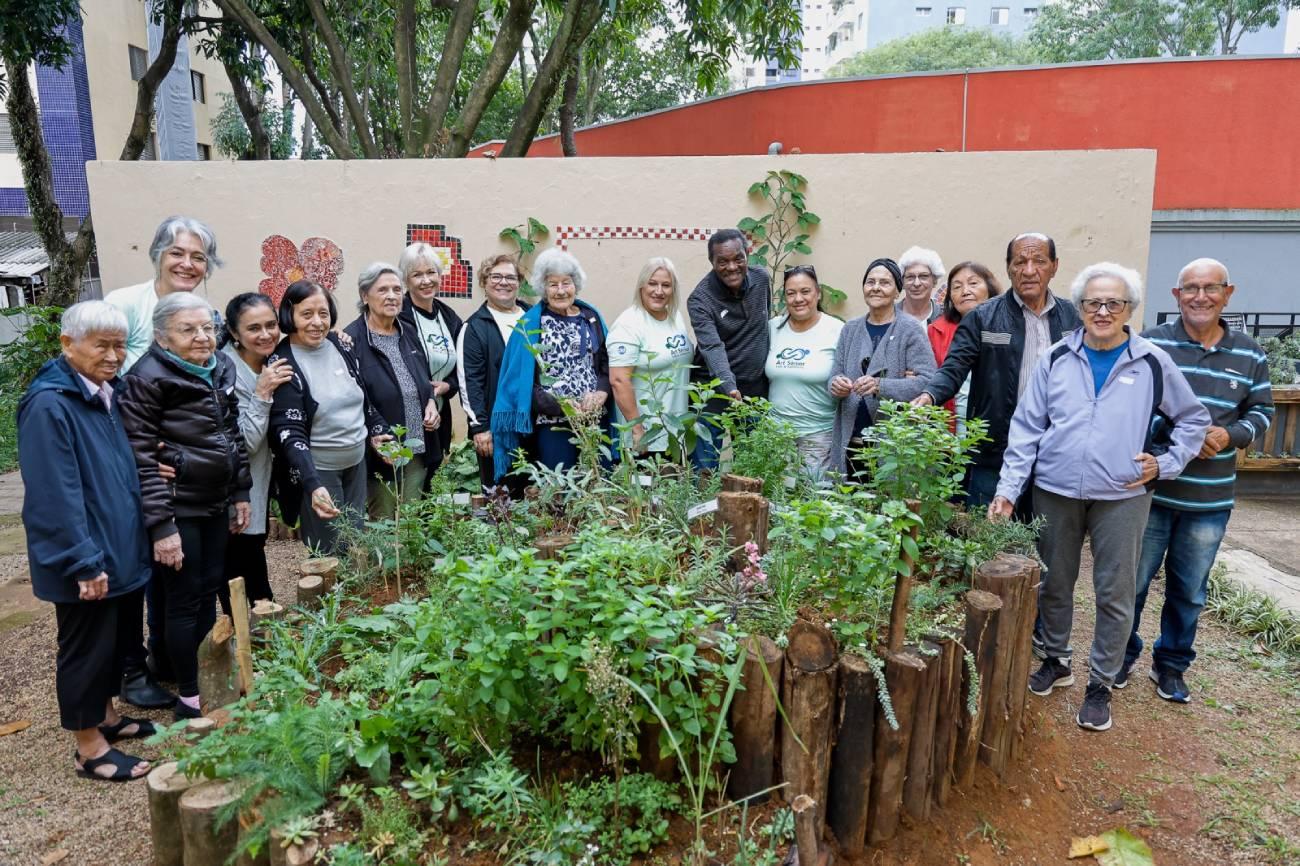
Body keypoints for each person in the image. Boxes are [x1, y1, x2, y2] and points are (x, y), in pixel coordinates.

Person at [990, 262, 1209, 733]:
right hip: (1056, 489)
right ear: (1080, 308)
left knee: (1115, 591)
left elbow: (1193, 420)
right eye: (1093, 302)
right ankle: (1058, 659)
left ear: (1129, 308)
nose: (1103, 310)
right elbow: (1026, 429)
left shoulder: (1151, 361)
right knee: (1054, 583)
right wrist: (1009, 489)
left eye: (1114, 302)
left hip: (1123, 495)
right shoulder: (1055, 358)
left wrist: (1165, 464)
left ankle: (1101, 684)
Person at [1121, 258, 1274, 703]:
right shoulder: (1152, 345)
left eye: (1210, 288)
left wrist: (1230, 434)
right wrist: (1182, 437)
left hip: (1209, 499)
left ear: (1228, 293)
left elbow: (1262, 411)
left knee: (1189, 591)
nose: (1200, 296)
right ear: (1176, 296)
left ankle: (1170, 666)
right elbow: (1131, 405)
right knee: (1131, 582)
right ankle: (1121, 657)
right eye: (1190, 288)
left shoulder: (1249, 353)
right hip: (1152, 491)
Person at [18, 302, 155, 780]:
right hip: (85, 554)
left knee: (113, 641)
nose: (115, 356)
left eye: (120, 345)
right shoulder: (50, 404)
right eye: (102, 345)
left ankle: (107, 717)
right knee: (85, 648)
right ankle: (89, 747)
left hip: (115, 546)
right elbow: (55, 493)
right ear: (67, 344)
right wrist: (81, 560)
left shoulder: (100, 392)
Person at [118, 292, 253, 721]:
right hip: (178, 507)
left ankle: (208, 676)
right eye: (188, 330)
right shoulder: (148, 377)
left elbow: (230, 434)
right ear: (161, 336)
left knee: (210, 586)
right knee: (183, 599)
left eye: (207, 328)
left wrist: (240, 492)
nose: (202, 338)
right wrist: (160, 527)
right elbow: (140, 456)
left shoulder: (219, 367)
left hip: (213, 500)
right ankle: (191, 696)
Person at [914, 232, 1083, 512]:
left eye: (1039, 261)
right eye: (1020, 262)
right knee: (986, 542)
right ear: (1008, 267)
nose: (1029, 270)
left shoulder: (1073, 318)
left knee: (1049, 543)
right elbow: (954, 367)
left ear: (1055, 266)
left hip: (1056, 452)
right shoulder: (983, 317)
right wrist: (930, 395)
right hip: (995, 453)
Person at [268, 280, 387, 554]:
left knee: (355, 540)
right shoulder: (283, 363)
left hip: (356, 462)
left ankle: (354, 594)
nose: (317, 322)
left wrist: (379, 430)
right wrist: (312, 484)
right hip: (319, 470)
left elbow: (362, 397)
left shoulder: (340, 344)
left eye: (323, 313)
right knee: (329, 550)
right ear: (290, 315)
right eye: (306, 314)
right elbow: (289, 432)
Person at [491, 248, 611, 477]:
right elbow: (523, 382)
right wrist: (562, 407)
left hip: (594, 420)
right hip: (553, 423)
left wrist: (601, 394)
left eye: (566, 283)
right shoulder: (530, 324)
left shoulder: (591, 318)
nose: (561, 290)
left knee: (600, 484)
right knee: (559, 488)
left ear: (576, 284)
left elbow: (606, 366)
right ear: (543, 288)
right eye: (553, 284)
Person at [344, 263, 442, 517]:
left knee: (411, 521)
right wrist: (374, 435)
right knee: (384, 521)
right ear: (365, 296)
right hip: (382, 449)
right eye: (383, 290)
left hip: (417, 445)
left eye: (397, 289)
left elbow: (424, 378)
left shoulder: (407, 330)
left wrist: (430, 401)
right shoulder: (352, 339)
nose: (392, 296)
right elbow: (354, 398)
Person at [219, 293, 293, 615]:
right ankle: (241, 633)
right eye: (254, 328)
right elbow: (244, 443)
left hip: (259, 479)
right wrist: (262, 393)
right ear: (235, 333)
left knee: (253, 548)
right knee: (234, 558)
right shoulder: (224, 371)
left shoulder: (269, 359)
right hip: (232, 484)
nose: (266, 334)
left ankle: (264, 618)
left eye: (271, 325)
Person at [828, 258, 936, 478]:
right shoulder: (850, 329)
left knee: (885, 503)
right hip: (851, 438)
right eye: (870, 282)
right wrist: (836, 384)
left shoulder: (910, 330)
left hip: (891, 445)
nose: (876, 287)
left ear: (897, 291)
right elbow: (834, 375)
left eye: (884, 282)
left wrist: (880, 385)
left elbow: (928, 380)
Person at [687, 228, 772, 469]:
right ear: (711, 262)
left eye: (738, 259)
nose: (732, 267)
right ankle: (702, 506)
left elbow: (763, 324)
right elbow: (711, 346)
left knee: (751, 464)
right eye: (722, 261)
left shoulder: (762, 279)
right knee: (705, 466)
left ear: (748, 254)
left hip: (754, 389)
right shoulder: (700, 299)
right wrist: (729, 386)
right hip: (711, 389)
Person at [105, 216, 222, 371]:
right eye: (177, 253)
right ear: (158, 256)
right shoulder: (123, 303)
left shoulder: (203, 313)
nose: (187, 264)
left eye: (198, 258)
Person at [457, 255, 532, 493]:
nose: (503, 282)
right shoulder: (475, 327)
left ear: (519, 283)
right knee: (500, 498)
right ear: (484, 282)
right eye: (496, 276)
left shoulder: (533, 317)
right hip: (496, 430)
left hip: (534, 424)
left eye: (510, 277)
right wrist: (480, 428)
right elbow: (469, 383)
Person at [606, 257, 694, 455]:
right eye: (652, 283)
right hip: (646, 438)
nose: (659, 291)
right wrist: (638, 431)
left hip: (675, 433)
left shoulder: (675, 318)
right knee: (646, 486)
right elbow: (619, 381)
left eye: (666, 285)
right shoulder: (628, 324)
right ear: (641, 287)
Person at [765, 265, 844, 476]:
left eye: (805, 291)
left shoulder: (837, 329)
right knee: (776, 500)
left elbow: (850, 374)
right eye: (791, 293)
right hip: (777, 435)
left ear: (818, 293)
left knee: (813, 502)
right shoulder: (773, 328)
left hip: (818, 436)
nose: (798, 298)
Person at [398, 242, 463, 461]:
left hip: (441, 415)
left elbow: (463, 364)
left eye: (431, 272)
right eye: (417, 275)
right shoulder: (398, 316)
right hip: (407, 415)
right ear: (406, 280)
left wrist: (448, 385)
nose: (426, 281)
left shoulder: (448, 316)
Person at [927, 262, 1003, 435]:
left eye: (973, 283)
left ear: (990, 288)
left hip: (997, 421)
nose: (965, 291)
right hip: (949, 425)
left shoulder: (1007, 326)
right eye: (957, 286)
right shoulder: (936, 330)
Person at [896, 245, 945, 324]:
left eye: (923, 276)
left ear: (934, 281)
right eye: (910, 277)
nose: (916, 283)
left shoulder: (945, 316)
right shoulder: (889, 315)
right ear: (902, 282)